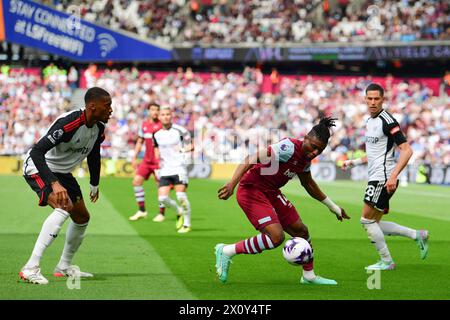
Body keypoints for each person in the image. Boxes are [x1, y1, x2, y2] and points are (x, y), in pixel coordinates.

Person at [216, 117, 350, 285]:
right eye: (314, 147)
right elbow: (251, 158)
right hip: (251, 189)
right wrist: (231, 184)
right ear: (306, 138)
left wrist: (333, 207)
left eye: (320, 150)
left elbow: (308, 184)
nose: (315, 152)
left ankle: (309, 276)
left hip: (271, 192)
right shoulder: (288, 147)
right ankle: (226, 251)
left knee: (301, 231)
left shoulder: (305, 159)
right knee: (276, 237)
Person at [20, 87, 112, 284]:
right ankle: (30, 267)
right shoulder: (69, 123)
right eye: (107, 106)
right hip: (39, 166)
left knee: (82, 217)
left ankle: (63, 266)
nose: (111, 110)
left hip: (62, 172)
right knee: (64, 207)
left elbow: (94, 155)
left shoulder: (99, 128)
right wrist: (54, 183)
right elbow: (37, 152)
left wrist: (94, 183)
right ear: (91, 106)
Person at [341, 83, 429, 271]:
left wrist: (393, 176)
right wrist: (353, 162)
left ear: (383, 100)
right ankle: (417, 235)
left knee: (366, 220)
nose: (373, 102)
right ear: (365, 99)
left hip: (383, 178)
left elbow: (407, 150)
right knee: (375, 223)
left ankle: (387, 261)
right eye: (369, 98)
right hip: (378, 176)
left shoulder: (388, 121)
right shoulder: (369, 121)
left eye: (376, 99)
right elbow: (373, 154)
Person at [153, 106, 194, 233]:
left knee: (180, 196)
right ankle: (178, 211)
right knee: (162, 199)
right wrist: (157, 162)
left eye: (168, 114)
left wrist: (181, 150)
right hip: (165, 169)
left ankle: (187, 224)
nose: (165, 116)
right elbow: (156, 149)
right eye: (163, 114)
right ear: (159, 117)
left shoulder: (180, 130)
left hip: (179, 168)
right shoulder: (157, 134)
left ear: (171, 116)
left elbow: (191, 145)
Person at [129, 102, 166, 222]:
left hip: (158, 162)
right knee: (136, 182)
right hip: (146, 160)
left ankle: (161, 213)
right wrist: (134, 157)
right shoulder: (144, 125)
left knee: (161, 187)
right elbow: (140, 141)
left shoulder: (163, 125)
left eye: (157, 110)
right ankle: (142, 211)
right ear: (149, 111)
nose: (154, 112)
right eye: (152, 110)